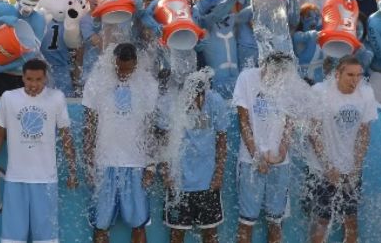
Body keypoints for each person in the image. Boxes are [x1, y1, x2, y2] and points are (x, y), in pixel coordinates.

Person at [0, 59, 78, 243]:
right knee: (12, 239)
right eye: (29, 79)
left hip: (46, 179)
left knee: (46, 240)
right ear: (23, 78)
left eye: (39, 80)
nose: (34, 84)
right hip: (15, 179)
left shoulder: (57, 97)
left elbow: (66, 136)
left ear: (45, 78)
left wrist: (72, 171)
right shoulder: (9, 98)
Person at [83, 43, 158, 243]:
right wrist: (89, 160)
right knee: (101, 224)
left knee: (139, 224)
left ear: (135, 64)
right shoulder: (97, 81)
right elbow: (89, 124)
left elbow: (149, 127)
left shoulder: (147, 84)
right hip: (104, 162)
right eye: (120, 69)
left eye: (128, 70)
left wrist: (151, 165)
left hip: (135, 163)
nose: (124, 74)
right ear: (112, 61)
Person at [306, 56, 377, 243]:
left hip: (350, 168)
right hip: (321, 168)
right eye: (350, 75)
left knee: (351, 219)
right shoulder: (320, 92)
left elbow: (364, 133)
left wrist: (356, 166)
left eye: (359, 75)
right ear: (337, 74)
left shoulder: (366, 94)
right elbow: (313, 133)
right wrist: (328, 167)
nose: (355, 80)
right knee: (321, 220)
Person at [233, 52, 300, 243]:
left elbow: (290, 123)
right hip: (250, 162)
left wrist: (281, 152)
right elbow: (243, 121)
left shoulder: (289, 83)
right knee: (247, 221)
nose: (277, 77)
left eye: (281, 73)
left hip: (280, 163)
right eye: (274, 72)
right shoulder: (246, 78)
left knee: (275, 222)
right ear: (264, 65)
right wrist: (256, 156)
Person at [157, 68, 229, 243]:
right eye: (190, 96)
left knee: (210, 233)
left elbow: (221, 140)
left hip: (207, 180)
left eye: (198, 97)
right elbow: (163, 140)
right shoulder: (172, 103)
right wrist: (167, 173)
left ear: (204, 93)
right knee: (177, 234)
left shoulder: (215, 102)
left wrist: (219, 174)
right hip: (179, 181)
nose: (194, 101)